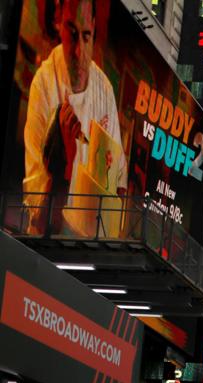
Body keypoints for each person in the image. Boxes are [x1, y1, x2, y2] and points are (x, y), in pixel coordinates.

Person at [23, 0, 127, 236]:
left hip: (89, 242)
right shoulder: (44, 83)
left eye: (86, 36)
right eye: (72, 34)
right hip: (48, 240)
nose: (79, 51)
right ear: (58, 20)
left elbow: (119, 181)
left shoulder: (105, 89)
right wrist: (61, 166)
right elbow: (37, 217)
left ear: (94, 29)